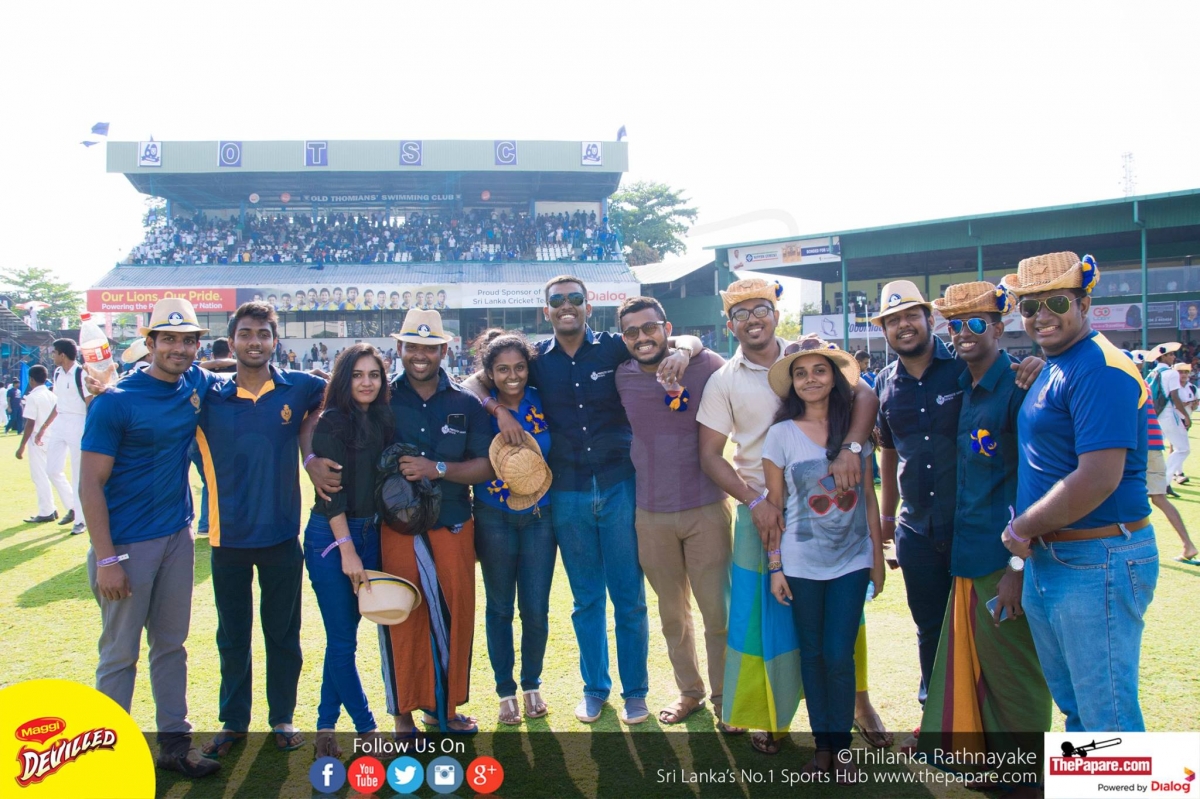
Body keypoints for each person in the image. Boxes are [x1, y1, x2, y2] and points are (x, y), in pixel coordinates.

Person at [470, 275, 698, 726]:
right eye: (557, 300)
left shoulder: (614, 346)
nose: (567, 306)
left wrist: (685, 351)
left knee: (629, 598)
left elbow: (685, 339)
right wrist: (497, 409)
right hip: (567, 493)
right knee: (586, 600)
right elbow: (474, 383)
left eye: (575, 298)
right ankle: (595, 690)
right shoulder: (536, 359)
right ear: (547, 311)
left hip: (619, 486)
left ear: (588, 307)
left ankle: (636, 693)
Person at [697, 278, 885, 755]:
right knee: (764, 619)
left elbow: (865, 397)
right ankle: (772, 715)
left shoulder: (809, 355)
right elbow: (711, 456)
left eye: (760, 309)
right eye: (740, 314)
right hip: (759, 507)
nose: (752, 320)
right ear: (729, 325)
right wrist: (755, 503)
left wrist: (852, 448)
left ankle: (859, 706)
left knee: (842, 627)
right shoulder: (723, 378)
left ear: (776, 314)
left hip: (831, 513)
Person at [1001, 252, 1158, 732]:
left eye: (1056, 302)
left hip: (1098, 557)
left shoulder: (1101, 367)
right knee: (1078, 712)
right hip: (1056, 558)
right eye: (1030, 307)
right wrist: (1023, 554)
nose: (1041, 316)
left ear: (1084, 304)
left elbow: (1098, 478)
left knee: (1106, 718)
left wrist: (1020, 529)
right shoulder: (1058, 363)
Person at [79, 298, 223, 778]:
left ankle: (175, 745)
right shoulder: (115, 401)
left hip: (177, 537)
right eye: (169, 340)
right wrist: (106, 559)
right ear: (151, 343)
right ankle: (107, 759)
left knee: (171, 645)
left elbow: (222, 372)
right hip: (126, 546)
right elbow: (90, 483)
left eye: (188, 341)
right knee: (120, 654)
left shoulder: (193, 382)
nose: (179, 349)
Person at [916, 282, 1052, 789]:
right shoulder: (967, 385)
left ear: (999, 327)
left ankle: (1029, 777)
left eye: (976, 323)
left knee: (1017, 672)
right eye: (955, 325)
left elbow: (1038, 483)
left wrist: (1018, 567)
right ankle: (999, 767)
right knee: (988, 670)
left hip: (1007, 560)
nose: (963, 333)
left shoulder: (1020, 386)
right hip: (969, 554)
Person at [194, 303, 326, 758]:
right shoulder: (207, 392)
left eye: (263, 334)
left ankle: (282, 717)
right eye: (246, 334)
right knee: (232, 636)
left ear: (275, 340)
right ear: (232, 340)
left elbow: (342, 389)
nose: (255, 342)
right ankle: (233, 721)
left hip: (282, 535)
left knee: (283, 633)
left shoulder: (300, 387)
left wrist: (311, 442)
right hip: (226, 537)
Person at [764, 335, 884, 781]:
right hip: (800, 563)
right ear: (792, 384)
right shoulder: (780, 435)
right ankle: (823, 750)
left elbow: (868, 499)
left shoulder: (854, 435)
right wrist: (776, 566)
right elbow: (774, 508)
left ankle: (843, 750)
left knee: (838, 654)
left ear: (834, 378)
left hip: (852, 561)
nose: (810, 379)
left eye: (819, 370)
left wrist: (876, 558)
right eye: (800, 373)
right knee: (812, 656)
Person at [613, 297, 732, 728]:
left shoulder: (705, 365)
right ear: (624, 338)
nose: (642, 338)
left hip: (706, 508)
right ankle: (690, 692)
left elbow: (710, 354)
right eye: (631, 332)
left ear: (667, 328)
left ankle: (726, 698)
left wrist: (686, 348)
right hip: (651, 514)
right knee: (672, 616)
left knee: (717, 613)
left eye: (650, 328)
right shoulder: (622, 376)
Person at [382, 309, 494, 735]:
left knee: (455, 614)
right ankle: (402, 715)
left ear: (444, 350)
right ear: (400, 348)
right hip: (396, 526)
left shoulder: (465, 403)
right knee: (400, 614)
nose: (420, 355)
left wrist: (438, 469)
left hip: (452, 522)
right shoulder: (382, 398)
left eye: (430, 347)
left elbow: (486, 466)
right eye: (413, 346)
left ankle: (441, 709)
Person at [303, 343, 391, 758]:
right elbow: (331, 496)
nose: (366, 382)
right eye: (357, 375)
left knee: (344, 638)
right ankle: (367, 729)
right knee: (342, 640)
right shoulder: (332, 421)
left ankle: (325, 727)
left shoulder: (381, 417)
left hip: (370, 532)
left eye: (373, 374)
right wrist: (348, 550)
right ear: (343, 379)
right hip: (331, 537)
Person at [472, 332, 556, 725]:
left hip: (541, 515)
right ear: (489, 372)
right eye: (502, 369)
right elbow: (465, 384)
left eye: (519, 367)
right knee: (500, 607)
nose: (513, 376)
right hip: (493, 516)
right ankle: (505, 691)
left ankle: (531, 684)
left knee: (536, 608)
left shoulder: (542, 397)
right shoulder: (476, 403)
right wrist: (496, 409)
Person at [47, 338, 90, 534]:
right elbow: (58, 403)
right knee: (52, 469)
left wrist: (91, 427)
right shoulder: (57, 373)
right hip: (60, 422)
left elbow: (90, 402)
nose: (52, 356)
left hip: (78, 422)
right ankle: (73, 507)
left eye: (54, 352)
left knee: (77, 473)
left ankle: (81, 520)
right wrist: (44, 427)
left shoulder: (81, 373)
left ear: (62, 355)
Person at [16, 364, 59, 523]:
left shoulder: (33, 397)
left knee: (40, 475)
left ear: (31, 380)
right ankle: (52, 508)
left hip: (37, 439)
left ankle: (47, 510)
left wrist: (21, 446)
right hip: (52, 438)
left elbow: (30, 423)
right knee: (52, 473)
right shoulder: (52, 395)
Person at [1146, 342, 1190, 484]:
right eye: (1170, 354)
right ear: (1163, 357)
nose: (1173, 357)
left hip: (1155, 414)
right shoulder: (1171, 373)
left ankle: (1160, 479)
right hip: (1168, 413)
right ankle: (1164, 481)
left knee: (1160, 447)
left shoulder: (1152, 373)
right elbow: (1175, 397)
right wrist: (1186, 416)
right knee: (1183, 449)